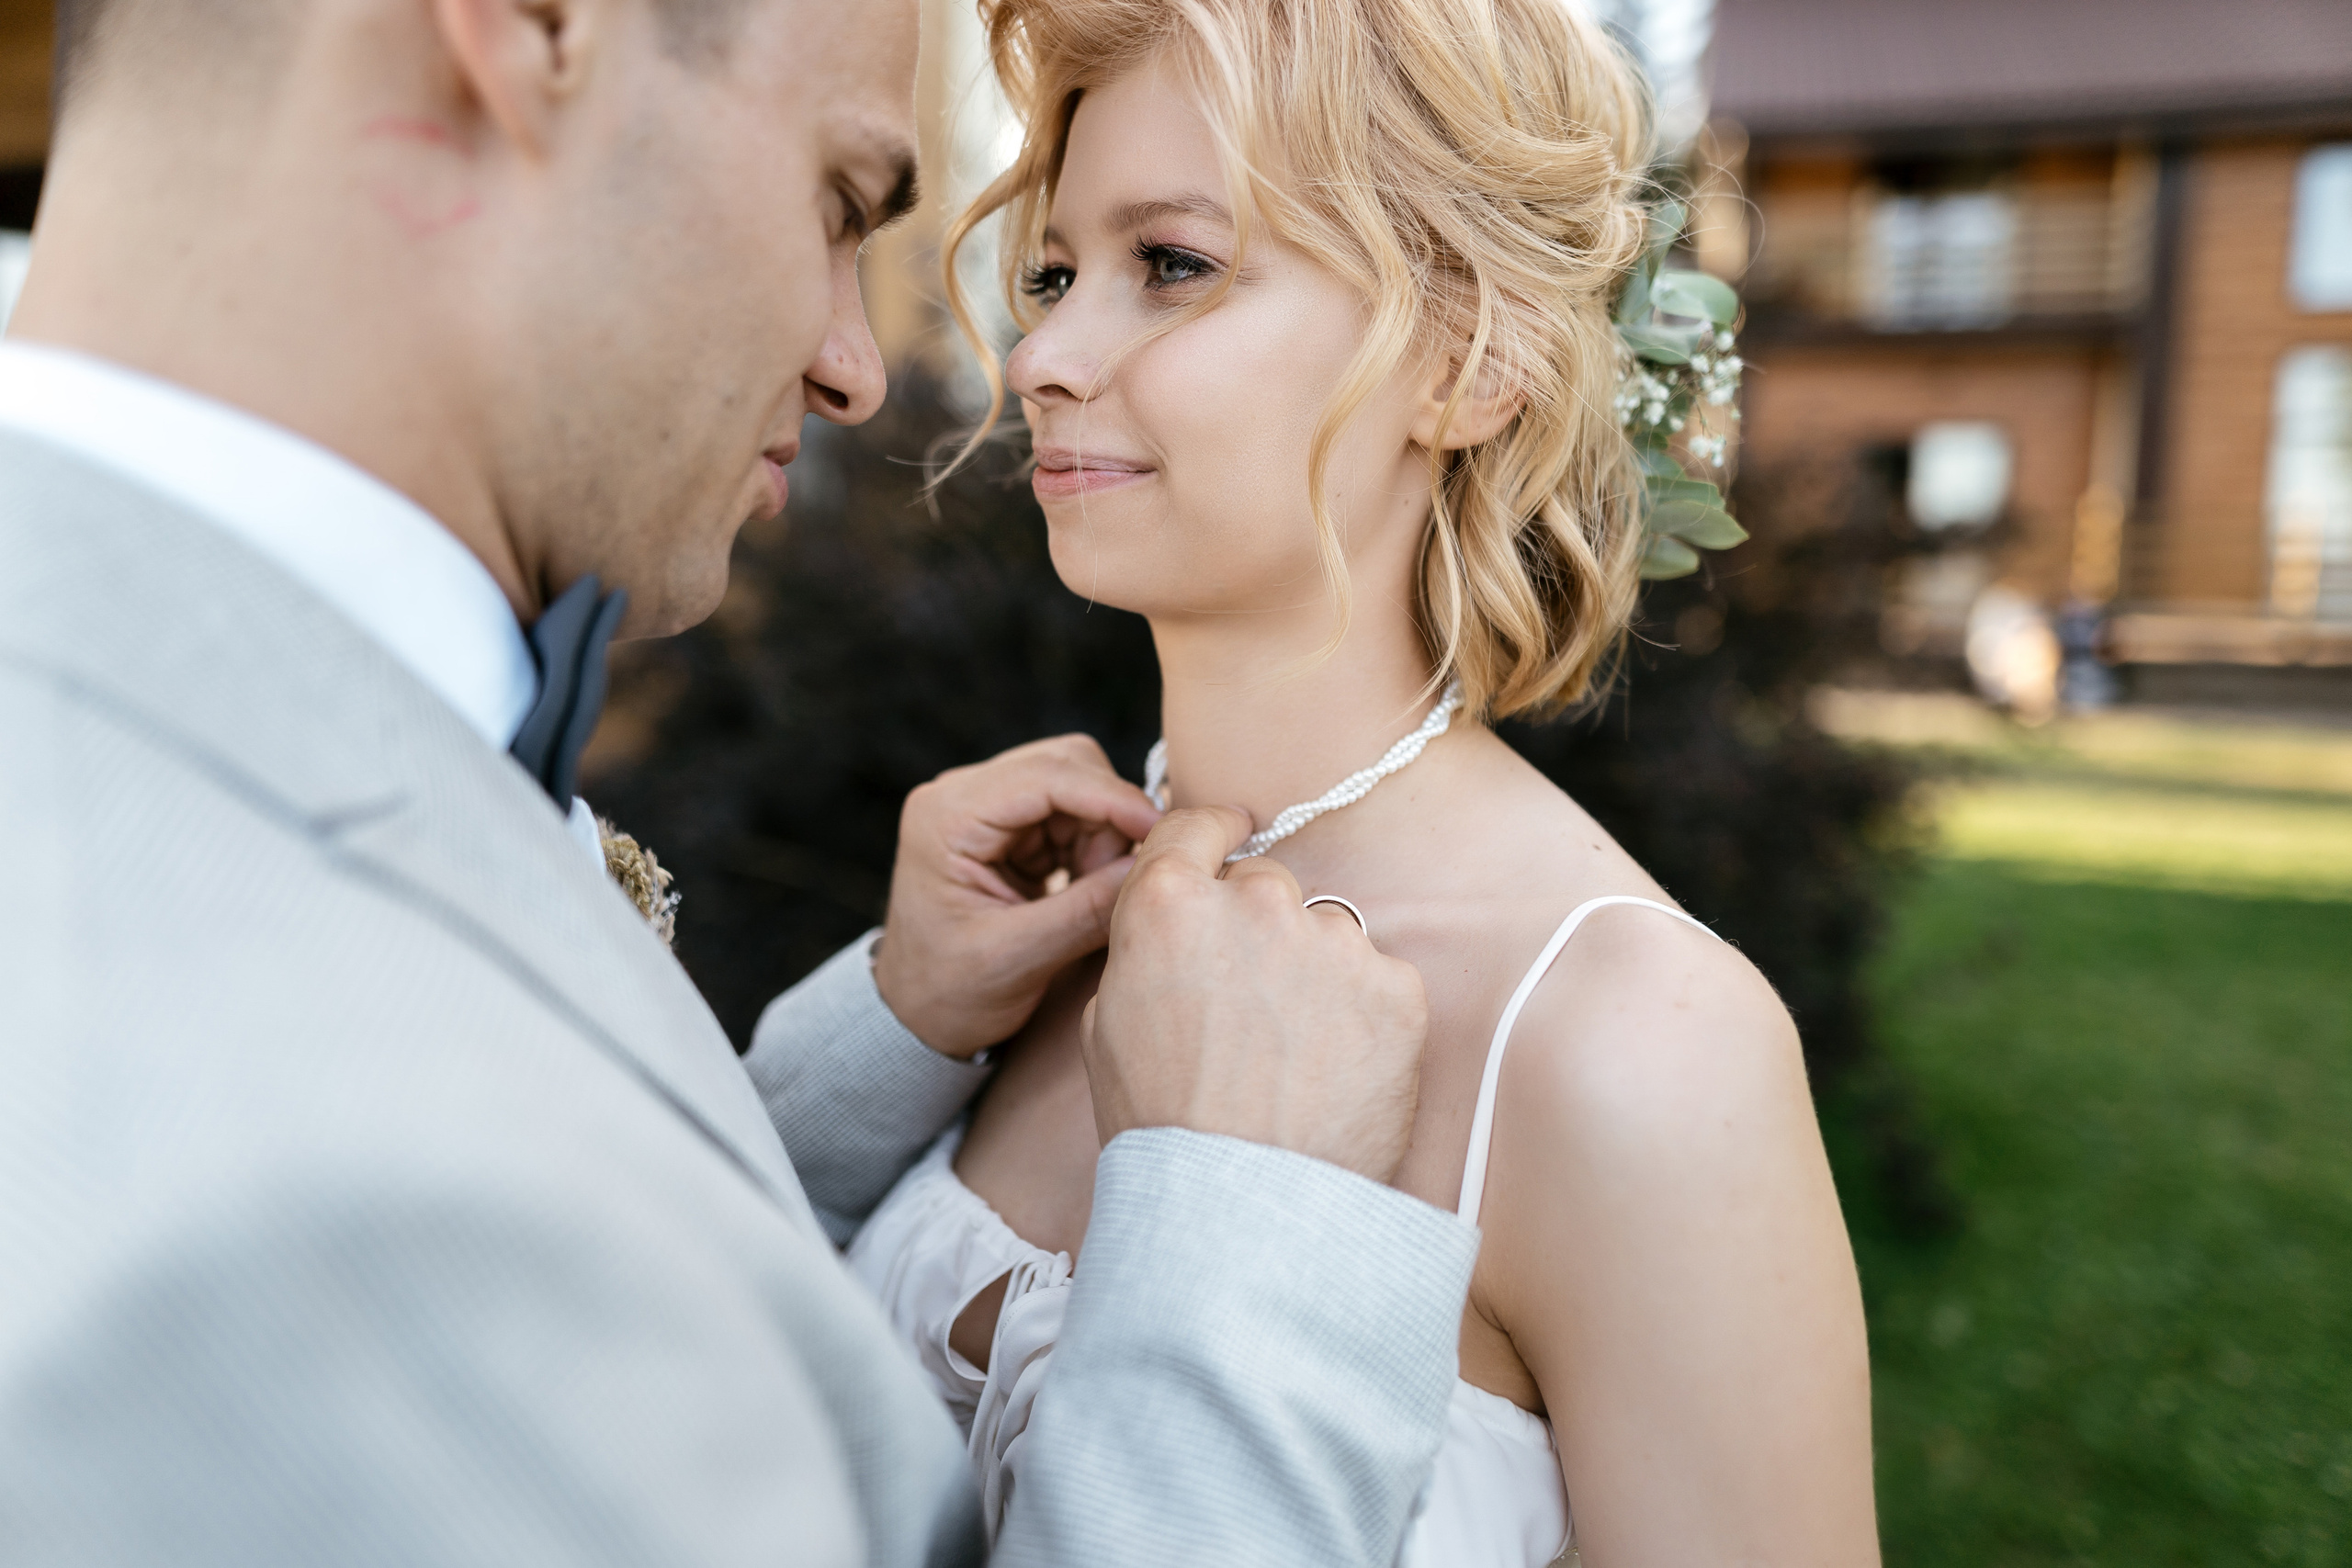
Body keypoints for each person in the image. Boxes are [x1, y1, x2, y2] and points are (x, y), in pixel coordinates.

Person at [0, 1, 1484, 1562]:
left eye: (1168, 265)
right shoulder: (222, 1092)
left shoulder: (197, 730)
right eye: (841, 202)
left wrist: (883, 1039)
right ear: (525, 33)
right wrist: (1248, 1250)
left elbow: (642, 1355)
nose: (859, 367)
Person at [839, 4, 1882, 1564]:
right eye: (1053, 272)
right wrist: (888, 1018)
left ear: (1469, 365)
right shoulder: (1020, 930)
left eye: (1172, 265)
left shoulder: (1636, 1048)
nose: (1044, 355)